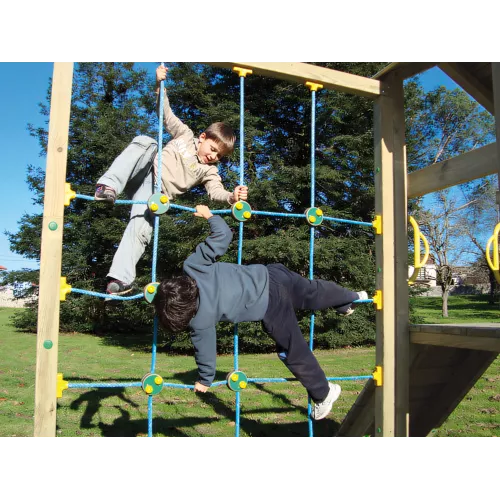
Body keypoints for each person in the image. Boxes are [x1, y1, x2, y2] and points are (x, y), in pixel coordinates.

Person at [154, 205, 368, 420]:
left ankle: (324, 393)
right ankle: (350, 298)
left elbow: (206, 351)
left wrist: (205, 379)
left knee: (292, 348)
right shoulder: (193, 266)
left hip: (270, 305)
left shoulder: (198, 319)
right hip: (272, 274)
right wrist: (210, 216)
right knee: (313, 292)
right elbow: (222, 235)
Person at [94, 65, 248, 296]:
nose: (214, 156)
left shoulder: (209, 171)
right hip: (143, 170)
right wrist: (159, 85)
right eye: (213, 149)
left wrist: (231, 197)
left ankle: (119, 281)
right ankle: (108, 186)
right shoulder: (185, 135)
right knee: (147, 142)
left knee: (141, 225)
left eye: (219, 156)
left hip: (155, 193)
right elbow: (165, 113)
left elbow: (216, 191)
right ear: (203, 137)